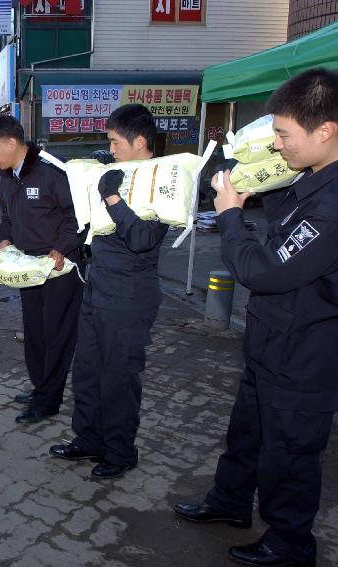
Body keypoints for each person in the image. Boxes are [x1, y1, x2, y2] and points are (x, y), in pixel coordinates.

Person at [174, 69, 338, 567]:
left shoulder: (331, 204)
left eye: (285, 135)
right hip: (271, 344)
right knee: (247, 433)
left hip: (304, 356)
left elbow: (262, 270)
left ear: (325, 130)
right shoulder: (308, 180)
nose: (278, 145)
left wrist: (229, 215)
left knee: (289, 454)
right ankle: (229, 502)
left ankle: (289, 545)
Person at [49, 104, 167, 479]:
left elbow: (143, 238)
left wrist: (114, 199)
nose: (112, 150)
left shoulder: (161, 181)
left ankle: (120, 451)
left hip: (130, 296)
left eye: (116, 143)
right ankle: (89, 439)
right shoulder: (119, 172)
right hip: (98, 288)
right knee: (87, 371)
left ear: (141, 142)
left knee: (118, 377)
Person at [0, 115, 83, 424]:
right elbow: (8, 217)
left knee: (57, 335)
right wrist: (5, 239)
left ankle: (49, 400)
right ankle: (41, 388)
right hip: (28, 267)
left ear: (12, 143)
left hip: (59, 267)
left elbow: (77, 214)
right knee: (35, 332)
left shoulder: (51, 171)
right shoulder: (8, 176)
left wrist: (62, 247)